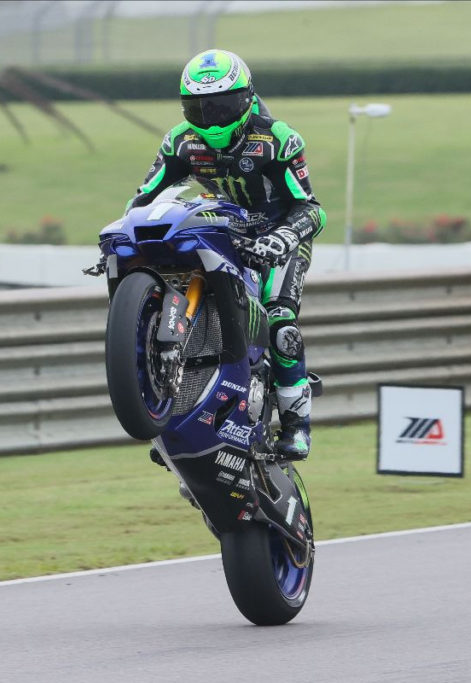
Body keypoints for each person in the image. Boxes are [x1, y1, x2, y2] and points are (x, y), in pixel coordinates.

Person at [126, 49, 326, 460]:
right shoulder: (180, 141)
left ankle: (296, 424)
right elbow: (144, 199)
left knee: (280, 319)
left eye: (221, 105)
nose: (212, 117)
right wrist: (125, 235)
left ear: (247, 98)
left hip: (279, 236)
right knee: (197, 311)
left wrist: (283, 237)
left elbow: (312, 208)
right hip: (223, 232)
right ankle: (177, 415)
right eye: (199, 107)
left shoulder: (278, 139)